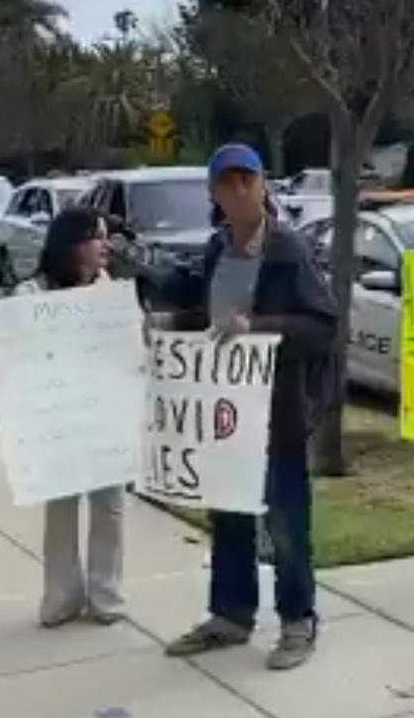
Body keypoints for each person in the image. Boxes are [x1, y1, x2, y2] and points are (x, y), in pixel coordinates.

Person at [122, 143, 339, 672]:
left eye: (248, 180)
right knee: (230, 517)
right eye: (228, 183)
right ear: (215, 194)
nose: (239, 191)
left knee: (285, 522)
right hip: (224, 415)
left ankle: (297, 620)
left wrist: (259, 328)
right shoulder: (218, 248)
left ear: (264, 185)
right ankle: (230, 616)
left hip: (278, 415)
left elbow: (323, 327)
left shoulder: (289, 250)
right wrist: (166, 323)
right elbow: (204, 311)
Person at [7, 206, 128, 629]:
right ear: (72, 245)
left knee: (109, 508)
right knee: (61, 508)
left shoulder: (110, 293)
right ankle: (61, 597)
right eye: (97, 237)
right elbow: (14, 353)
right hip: (57, 417)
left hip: (103, 416)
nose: (105, 245)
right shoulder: (31, 295)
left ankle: (106, 597)